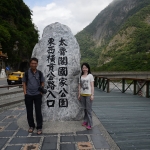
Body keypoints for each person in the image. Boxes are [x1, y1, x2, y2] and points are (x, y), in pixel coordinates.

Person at [22, 57, 45, 135]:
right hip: (29, 95)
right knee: (29, 111)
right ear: (30, 64)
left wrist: (41, 92)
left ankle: (39, 127)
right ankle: (31, 126)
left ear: (37, 64)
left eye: (35, 63)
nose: (34, 65)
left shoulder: (40, 73)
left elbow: (42, 82)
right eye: (32, 63)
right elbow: (24, 83)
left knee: (38, 111)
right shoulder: (26, 73)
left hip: (37, 95)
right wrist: (25, 93)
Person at [78, 63, 94, 130]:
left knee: (88, 110)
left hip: (88, 95)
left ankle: (90, 124)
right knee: (84, 109)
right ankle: (85, 121)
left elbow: (92, 86)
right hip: (82, 94)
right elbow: (79, 86)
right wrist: (79, 94)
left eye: (85, 68)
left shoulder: (90, 76)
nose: (84, 69)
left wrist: (92, 95)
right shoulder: (80, 76)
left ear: (88, 68)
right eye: (83, 68)